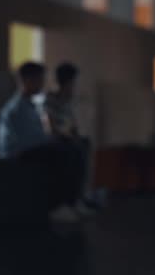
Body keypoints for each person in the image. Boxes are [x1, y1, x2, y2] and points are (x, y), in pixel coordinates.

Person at [0, 62, 88, 223]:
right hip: (16, 154)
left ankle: (71, 202)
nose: (42, 84)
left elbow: (38, 136)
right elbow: (30, 140)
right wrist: (56, 140)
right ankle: (57, 206)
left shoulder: (29, 106)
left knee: (71, 148)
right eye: (39, 80)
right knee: (62, 152)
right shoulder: (17, 108)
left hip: (27, 149)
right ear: (27, 80)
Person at [44, 62, 104, 210]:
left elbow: (72, 126)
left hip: (67, 140)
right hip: (55, 141)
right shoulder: (50, 100)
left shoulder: (67, 102)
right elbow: (52, 128)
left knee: (85, 144)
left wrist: (76, 135)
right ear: (66, 82)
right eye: (73, 83)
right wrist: (70, 136)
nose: (74, 86)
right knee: (74, 150)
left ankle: (82, 195)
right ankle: (71, 199)